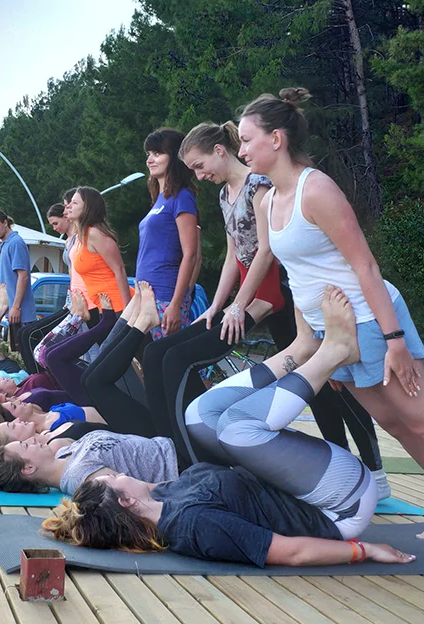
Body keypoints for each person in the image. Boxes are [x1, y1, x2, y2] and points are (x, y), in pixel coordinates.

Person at [241, 87, 424, 562]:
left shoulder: (317, 189)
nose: (243, 150)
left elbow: (365, 266)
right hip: (336, 335)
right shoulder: (267, 202)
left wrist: (395, 341)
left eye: (247, 140)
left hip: (372, 320)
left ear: (277, 139)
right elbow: (299, 278)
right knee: (395, 425)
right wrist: (320, 350)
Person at [43, 288, 416, 569]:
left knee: (199, 416)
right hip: (339, 506)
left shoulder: (161, 497)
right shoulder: (194, 526)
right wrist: (365, 551)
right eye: (113, 480)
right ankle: (334, 352)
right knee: (236, 429)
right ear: (126, 502)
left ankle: (299, 351)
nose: (119, 473)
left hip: (306, 487)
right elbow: (292, 553)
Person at [148, 121, 390, 497]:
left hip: (281, 292)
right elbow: (234, 255)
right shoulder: (225, 194)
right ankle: (341, 465)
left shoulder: (258, 186)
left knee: (335, 383)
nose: (199, 175)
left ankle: (373, 469)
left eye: (199, 165)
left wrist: (238, 306)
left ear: (219, 150)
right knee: (316, 384)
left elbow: (266, 251)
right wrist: (217, 306)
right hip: (255, 293)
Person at [31, 187, 129, 366]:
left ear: (88, 207)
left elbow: (119, 270)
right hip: (95, 307)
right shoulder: (81, 237)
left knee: (117, 359)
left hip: (114, 305)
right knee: (108, 360)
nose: (68, 207)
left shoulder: (95, 233)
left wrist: (127, 310)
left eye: (74, 203)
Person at [0, 429, 179, 496]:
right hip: (179, 464)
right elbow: (145, 491)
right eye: (26, 445)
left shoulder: (64, 453)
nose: (32, 440)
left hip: (169, 441)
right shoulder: (79, 477)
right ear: (28, 467)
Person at [135, 128, 200, 339]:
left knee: (165, 356)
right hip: (145, 296)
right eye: (148, 154)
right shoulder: (159, 200)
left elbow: (191, 254)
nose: (150, 160)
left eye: (157, 153)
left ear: (174, 157)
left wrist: (176, 304)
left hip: (166, 296)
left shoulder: (182, 197)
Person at [17, 194, 79, 372]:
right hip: (70, 298)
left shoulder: (79, 239)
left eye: (55, 223)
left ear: (65, 217)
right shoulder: (68, 241)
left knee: (31, 336)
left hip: (77, 301)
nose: (54, 228)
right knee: (25, 334)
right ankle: (36, 376)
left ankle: (41, 377)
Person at [0, 209, 36, 350]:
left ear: (5, 223)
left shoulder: (15, 243)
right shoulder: (5, 244)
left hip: (22, 314)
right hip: (12, 313)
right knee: (15, 353)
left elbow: (23, 276)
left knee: (24, 355)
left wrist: (16, 307)